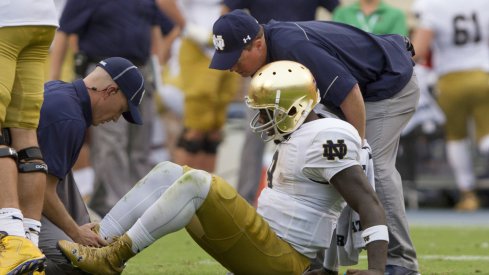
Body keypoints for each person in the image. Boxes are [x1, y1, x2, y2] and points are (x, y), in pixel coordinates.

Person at [57, 61, 389, 275]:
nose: (260, 120)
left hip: (282, 260)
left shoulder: (327, 137)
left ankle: (113, 257)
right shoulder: (302, 134)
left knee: (199, 182)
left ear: (293, 108)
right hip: (267, 244)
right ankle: (99, 241)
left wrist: (375, 270)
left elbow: (367, 202)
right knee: (170, 171)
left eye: (265, 111)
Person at [209, 10, 420, 274]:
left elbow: (349, 91)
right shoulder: (269, 51)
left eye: (234, 57)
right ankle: (323, 263)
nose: (230, 67)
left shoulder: (292, 47)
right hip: (356, 90)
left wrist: (357, 149)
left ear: (259, 44)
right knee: (322, 164)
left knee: (370, 164)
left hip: (386, 84)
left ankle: (400, 263)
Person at [50, 0, 163, 217]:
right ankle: (116, 208)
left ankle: (141, 205)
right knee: (111, 144)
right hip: (106, 77)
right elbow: (65, 31)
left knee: (140, 144)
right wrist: (54, 77)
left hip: (142, 71)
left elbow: (154, 28)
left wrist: (159, 68)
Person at [221, 0, 340, 205]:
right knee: (255, 134)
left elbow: (339, 11)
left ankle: (308, 198)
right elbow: (227, 12)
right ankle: (244, 201)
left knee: (310, 132)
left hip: (303, 69)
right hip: (262, 67)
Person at [38, 57, 146, 274]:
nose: (117, 119)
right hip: (13, 196)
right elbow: (40, 190)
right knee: (77, 264)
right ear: (109, 91)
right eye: (122, 109)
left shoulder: (63, 95)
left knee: (93, 255)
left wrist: (82, 229)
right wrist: (76, 233)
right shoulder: (69, 118)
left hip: (20, 187)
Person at [411, 0, 489, 211]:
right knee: (484, 139)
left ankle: (468, 194)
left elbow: (418, 50)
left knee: (456, 138)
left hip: (450, 80)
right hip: (483, 75)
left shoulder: (433, 5)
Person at [0, 1, 58, 274]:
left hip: (5, 19)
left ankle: (9, 239)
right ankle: (30, 244)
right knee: (24, 132)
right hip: (41, 17)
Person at [156, 0, 241, 173]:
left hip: (225, 45)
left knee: (215, 129)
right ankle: (179, 189)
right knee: (196, 127)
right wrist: (187, 26)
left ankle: (207, 191)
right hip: (198, 45)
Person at [333, 0, 408, 36]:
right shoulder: (341, 13)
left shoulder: (396, 15)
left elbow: (397, 46)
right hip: (348, 64)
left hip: (383, 65)